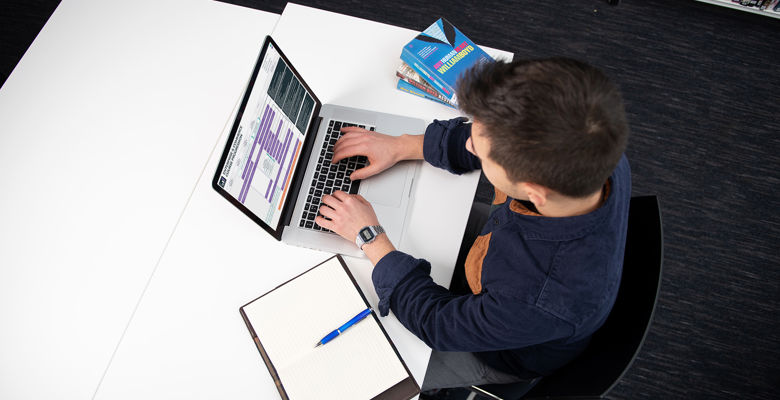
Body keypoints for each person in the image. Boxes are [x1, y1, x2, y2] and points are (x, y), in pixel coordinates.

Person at [313, 58, 631, 390]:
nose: (469, 144)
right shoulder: (593, 143)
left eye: (478, 150)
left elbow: (437, 324)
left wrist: (371, 238)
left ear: (534, 191)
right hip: (503, 271)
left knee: (356, 376)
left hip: (494, 351)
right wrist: (401, 146)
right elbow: (494, 136)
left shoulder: (539, 297)